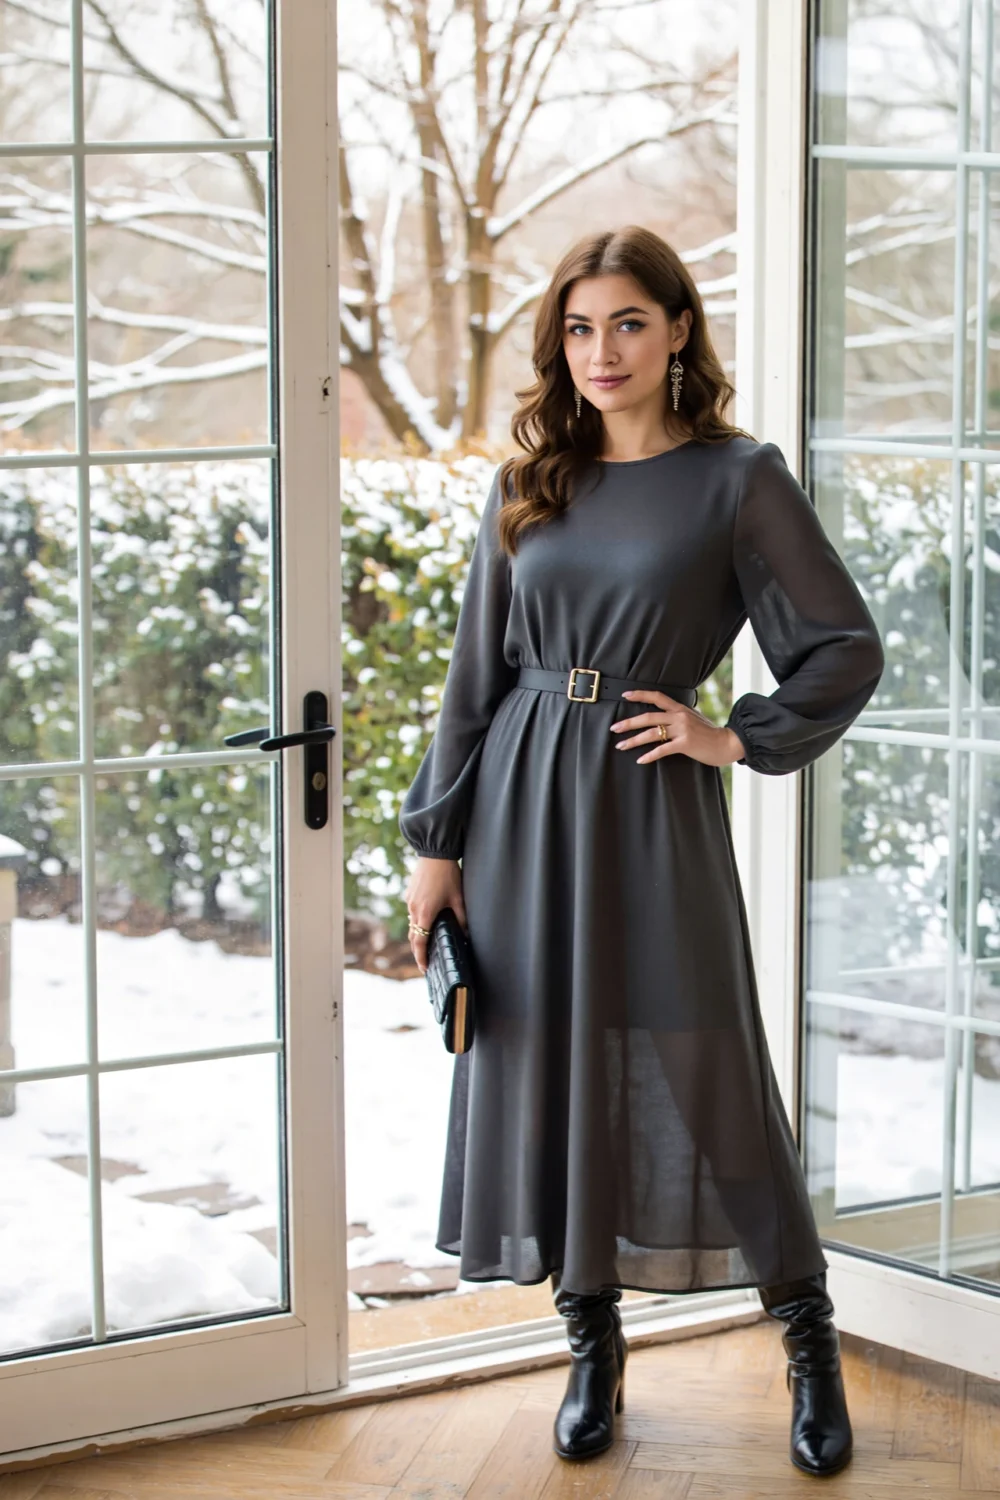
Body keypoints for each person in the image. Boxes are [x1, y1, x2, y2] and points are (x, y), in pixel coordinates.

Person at [398, 224, 884, 1478]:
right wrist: (432, 845)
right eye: (576, 326)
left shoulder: (737, 478)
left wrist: (733, 737)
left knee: (703, 1056)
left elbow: (841, 642)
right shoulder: (530, 481)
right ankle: (591, 1343)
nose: (598, 351)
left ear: (676, 330)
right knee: (546, 1061)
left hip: (648, 798)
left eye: (625, 323)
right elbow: (471, 678)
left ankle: (807, 1332)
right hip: (515, 804)